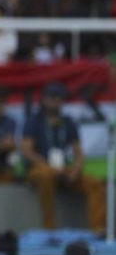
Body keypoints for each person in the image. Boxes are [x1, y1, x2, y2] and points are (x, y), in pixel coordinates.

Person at [21, 81, 106, 234]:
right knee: (46, 175)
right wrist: (50, 167)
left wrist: (75, 170)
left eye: (59, 97)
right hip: (41, 168)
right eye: (52, 97)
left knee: (94, 184)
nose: (55, 101)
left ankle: (98, 229)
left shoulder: (68, 121)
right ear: (44, 99)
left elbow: (78, 152)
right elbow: (27, 150)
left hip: (62, 170)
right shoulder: (34, 121)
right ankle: (49, 228)